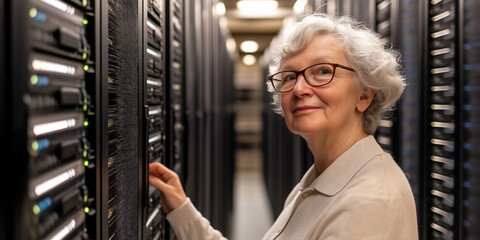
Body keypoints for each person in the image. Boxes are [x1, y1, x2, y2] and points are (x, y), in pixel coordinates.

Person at [149, 13, 418, 239]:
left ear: (364, 95)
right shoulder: (320, 179)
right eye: (290, 76)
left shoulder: (369, 204)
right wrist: (182, 209)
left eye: (323, 71)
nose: (299, 88)